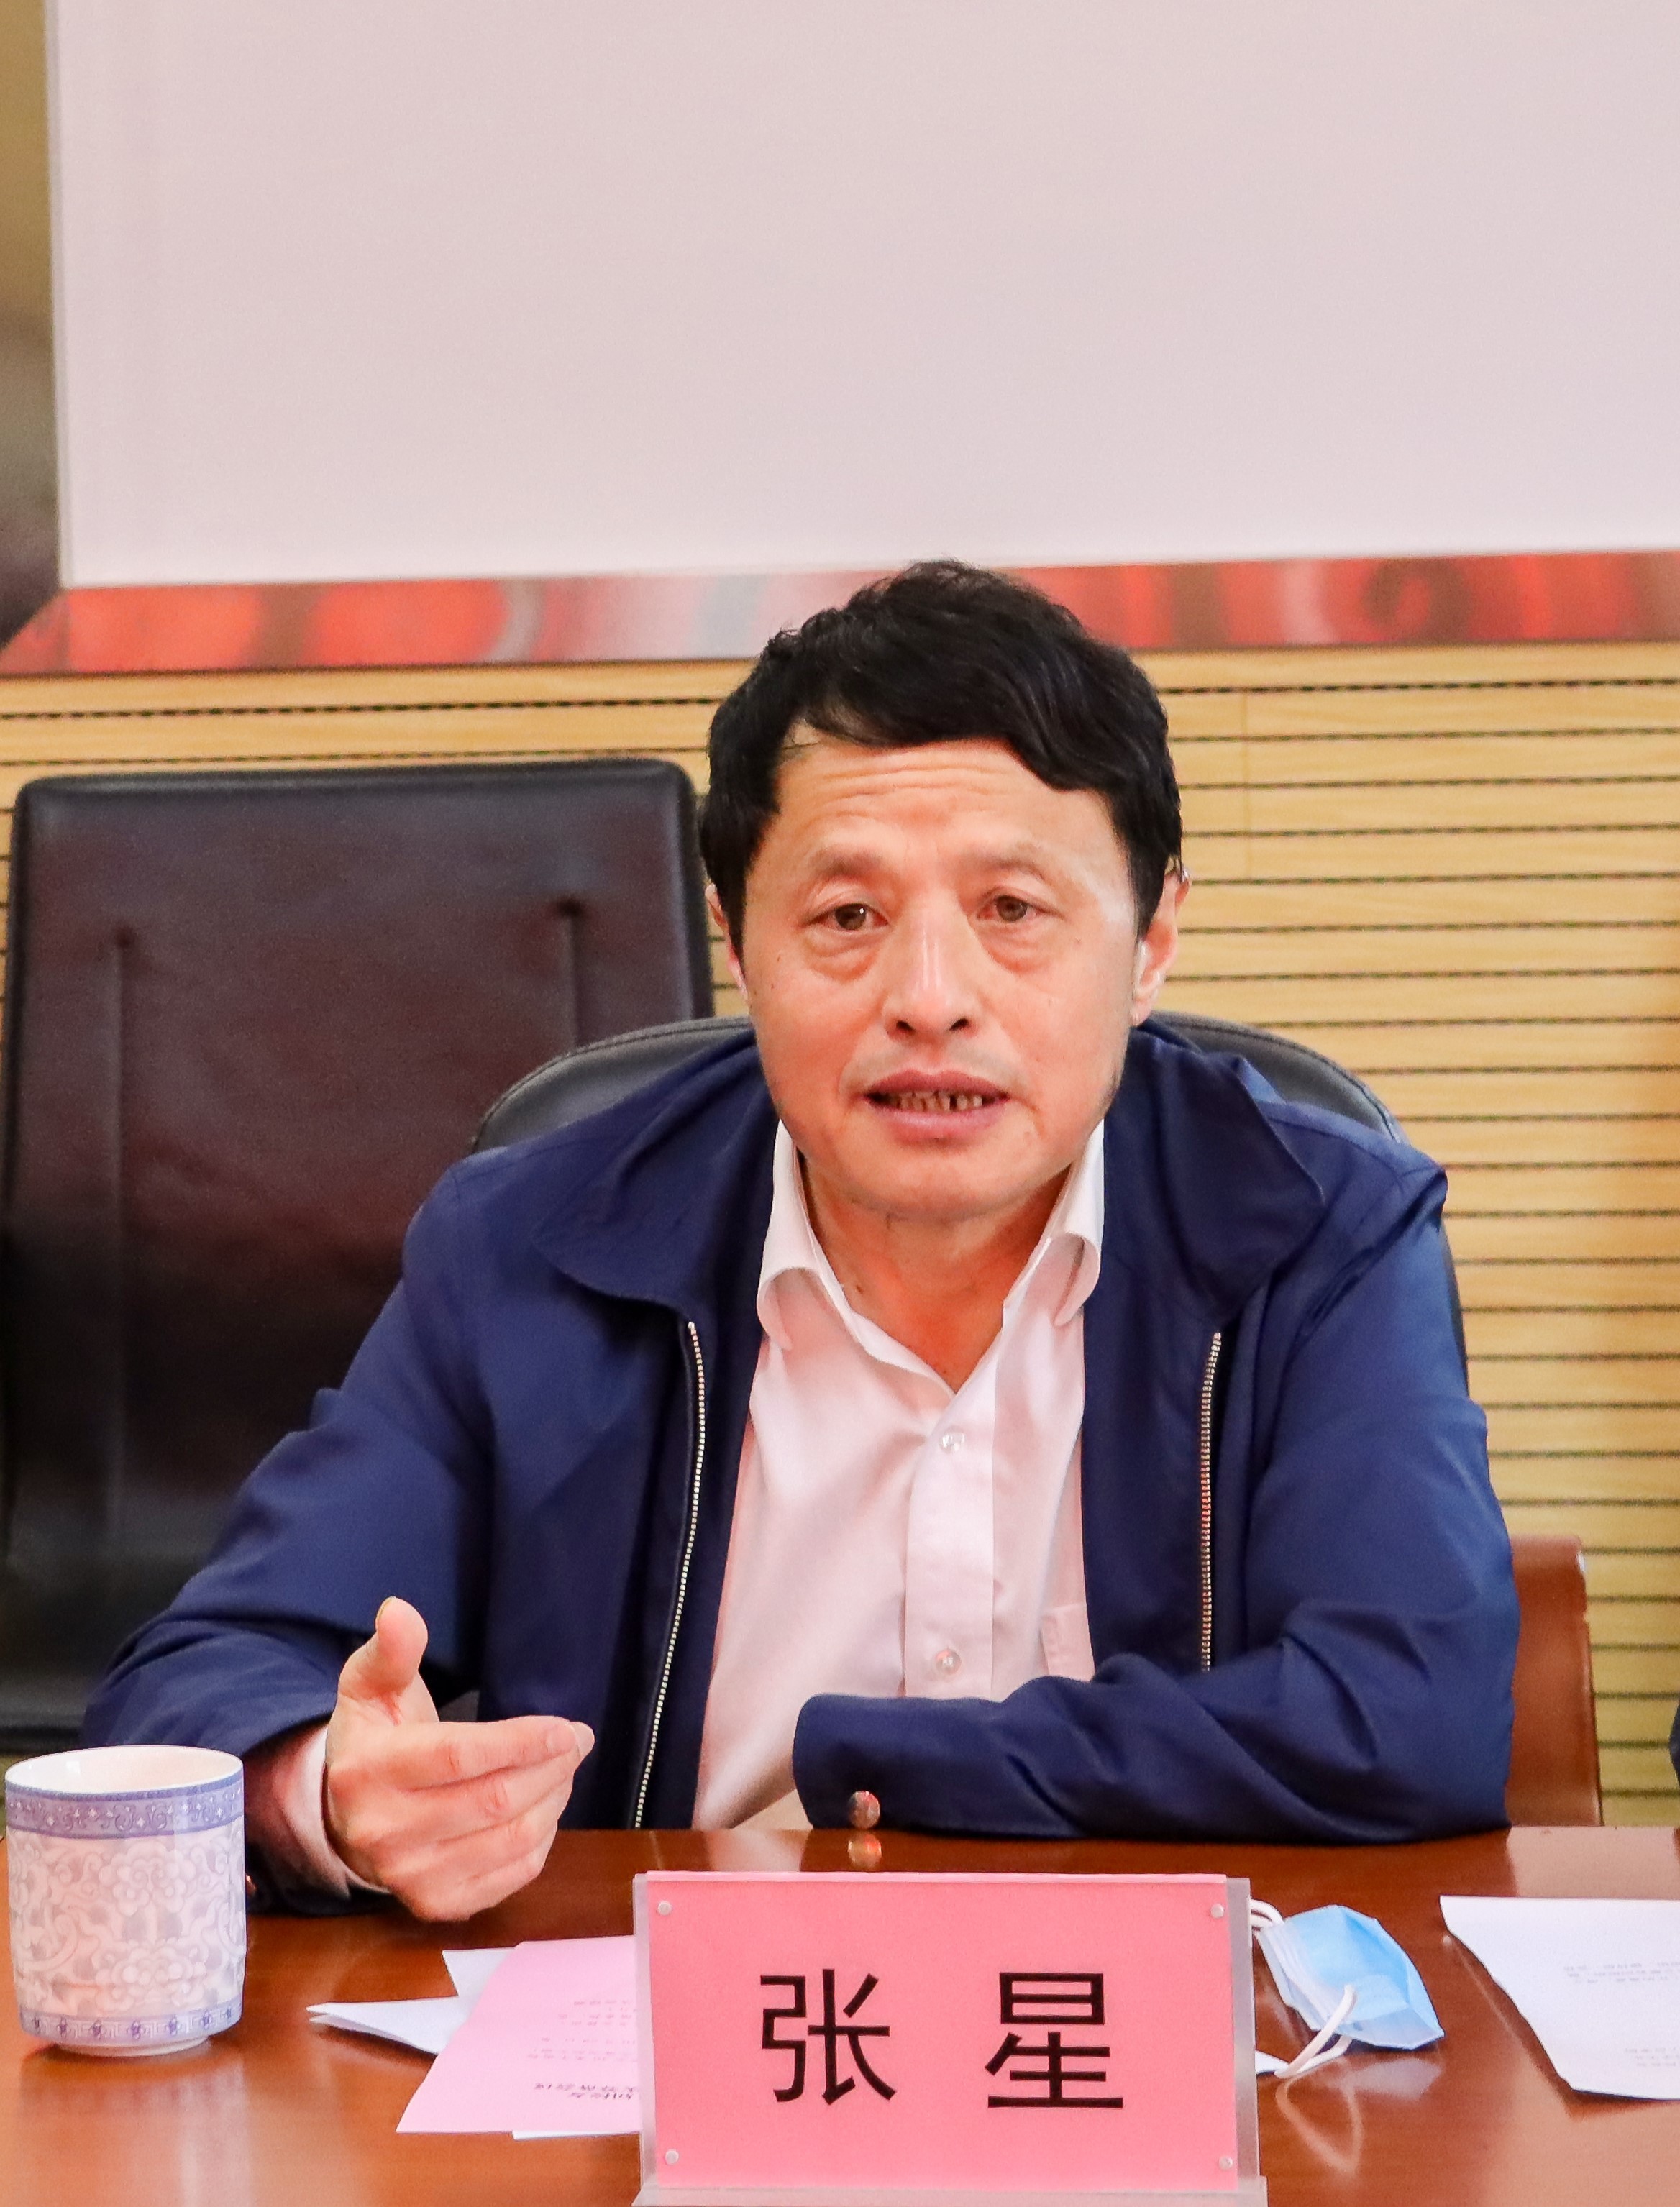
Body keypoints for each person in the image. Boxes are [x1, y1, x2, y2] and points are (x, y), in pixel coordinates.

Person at [84, 562, 1517, 1919]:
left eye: (1013, 909)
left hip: (1151, 2037)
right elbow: (203, 1676)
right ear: (735, 939)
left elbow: (1412, 1717)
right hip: (657, 2039)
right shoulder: (536, 1244)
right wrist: (331, 1789)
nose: (930, 996)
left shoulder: (1317, 1231)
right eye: (847, 914)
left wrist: (871, 1770)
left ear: (1151, 941)